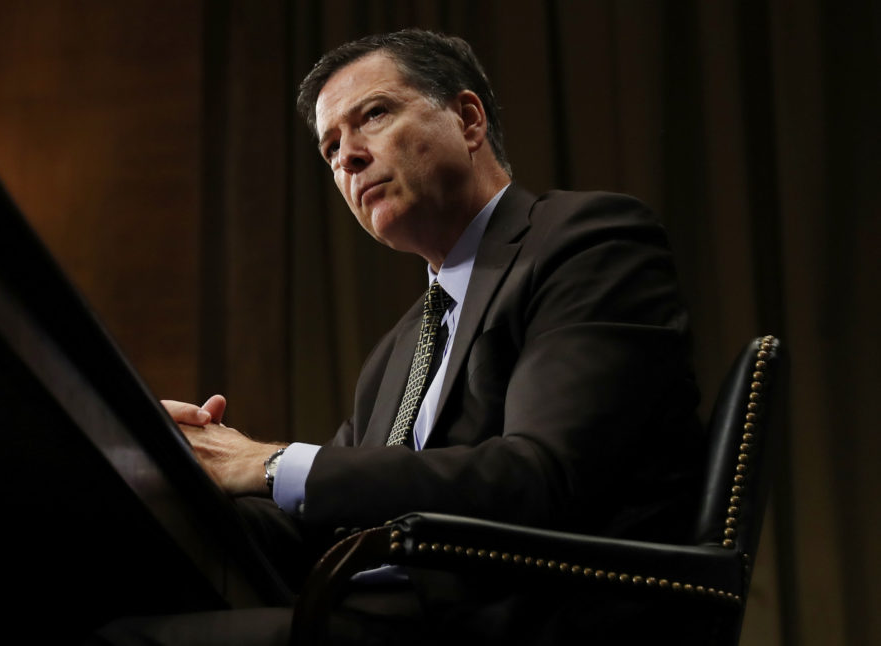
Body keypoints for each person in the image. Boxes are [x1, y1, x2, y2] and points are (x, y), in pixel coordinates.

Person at [97, 28, 703, 645]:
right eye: (330, 148)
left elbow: (541, 477)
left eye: (374, 116)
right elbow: (323, 529)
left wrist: (266, 462)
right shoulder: (402, 345)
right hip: (387, 614)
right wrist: (172, 468)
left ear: (468, 120)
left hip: (530, 620)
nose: (348, 158)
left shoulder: (586, 243)